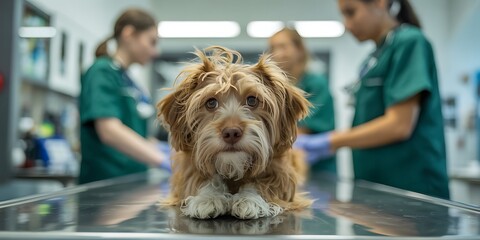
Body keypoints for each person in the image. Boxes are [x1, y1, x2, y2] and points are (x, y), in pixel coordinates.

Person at [295, 0, 450, 199]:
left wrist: (330, 141)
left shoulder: (410, 42)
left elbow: (399, 125)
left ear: (380, 3)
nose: (347, 24)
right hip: (375, 186)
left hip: (412, 187)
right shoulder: (372, 59)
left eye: (351, 13)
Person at [78, 9, 169, 184]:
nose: (155, 52)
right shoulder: (102, 71)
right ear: (129, 33)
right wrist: (161, 159)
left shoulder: (129, 81)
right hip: (104, 183)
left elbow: (134, 132)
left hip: (131, 181)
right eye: (152, 42)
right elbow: (109, 130)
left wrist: (162, 148)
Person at [269, 28, 336, 174]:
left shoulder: (315, 84)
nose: (277, 53)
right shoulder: (277, 88)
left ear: (299, 49)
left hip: (316, 166)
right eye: (273, 48)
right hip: (284, 163)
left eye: (282, 46)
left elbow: (305, 128)